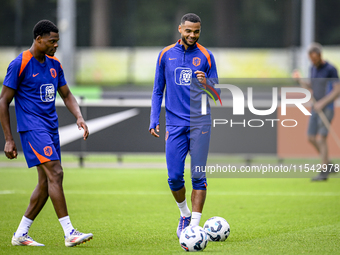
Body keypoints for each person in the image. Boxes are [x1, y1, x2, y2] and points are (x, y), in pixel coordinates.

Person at [0, 20, 93, 246]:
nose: (56, 45)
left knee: (45, 183)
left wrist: (79, 117)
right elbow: (3, 101)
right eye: (52, 41)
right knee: (56, 173)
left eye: (57, 41)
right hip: (32, 128)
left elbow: (67, 95)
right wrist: (9, 139)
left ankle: (21, 234)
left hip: (51, 129)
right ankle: (69, 232)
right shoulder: (20, 63)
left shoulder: (54, 65)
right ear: (38, 39)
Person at [149, 13, 220, 238]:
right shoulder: (165, 54)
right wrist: (153, 119)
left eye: (196, 31)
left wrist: (206, 83)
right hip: (174, 123)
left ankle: (194, 226)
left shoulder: (206, 56)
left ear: (200, 31)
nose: (192, 35)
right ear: (180, 29)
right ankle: (184, 214)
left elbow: (217, 93)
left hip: (200, 122)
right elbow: (157, 90)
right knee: (174, 177)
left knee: (198, 175)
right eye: (188, 31)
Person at [293, 42, 340, 181]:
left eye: (315, 59)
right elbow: (310, 86)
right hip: (316, 107)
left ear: (320, 55)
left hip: (327, 108)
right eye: (311, 59)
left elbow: (337, 90)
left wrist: (323, 103)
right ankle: (328, 164)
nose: (313, 61)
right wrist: (299, 79)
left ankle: (324, 171)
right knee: (311, 138)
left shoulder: (330, 69)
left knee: (322, 138)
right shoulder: (313, 68)